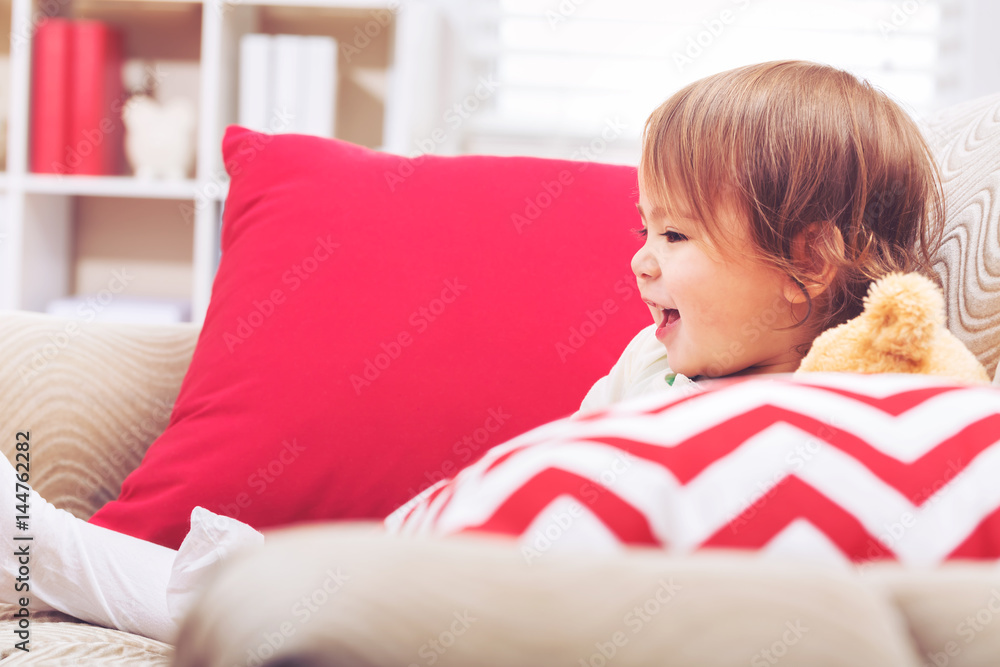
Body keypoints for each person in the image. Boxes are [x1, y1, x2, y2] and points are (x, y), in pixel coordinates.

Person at [0, 60, 944, 643]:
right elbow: (551, 465)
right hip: (447, 560)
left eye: (677, 239)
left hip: (531, 617)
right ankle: (39, 542)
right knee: (224, 586)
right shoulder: (649, 364)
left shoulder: (844, 406)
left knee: (246, 598)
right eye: (644, 228)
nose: (638, 261)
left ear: (807, 264)